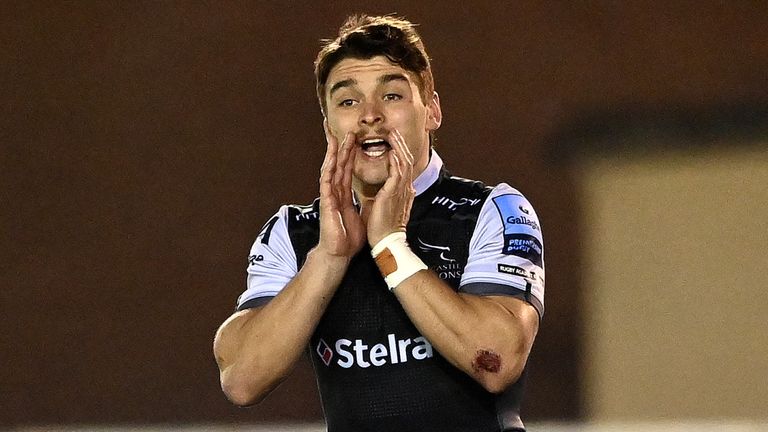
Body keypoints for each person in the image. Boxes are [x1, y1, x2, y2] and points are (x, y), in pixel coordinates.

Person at [213, 14, 544, 432]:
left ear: (432, 111)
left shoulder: (491, 209)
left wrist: (390, 246)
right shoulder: (294, 232)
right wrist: (329, 259)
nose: (370, 116)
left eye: (391, 96)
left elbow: (497, 359)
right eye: (348, 102)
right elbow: (241, 379)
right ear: (329, 127)